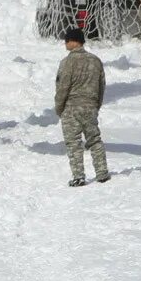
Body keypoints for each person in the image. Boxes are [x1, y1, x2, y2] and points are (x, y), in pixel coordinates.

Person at [54, 28, 110, 186]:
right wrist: (96, 106)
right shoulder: (95, 60)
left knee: (73, 143)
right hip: (90, 105)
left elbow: (62, 87)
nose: (65, 44)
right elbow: (101, 86)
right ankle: (102, 172)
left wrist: (59, 107)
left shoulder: (67, 62)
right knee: (95, 139)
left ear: (73, 41)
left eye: (66, 40)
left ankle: (79, 176)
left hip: (71, 107)